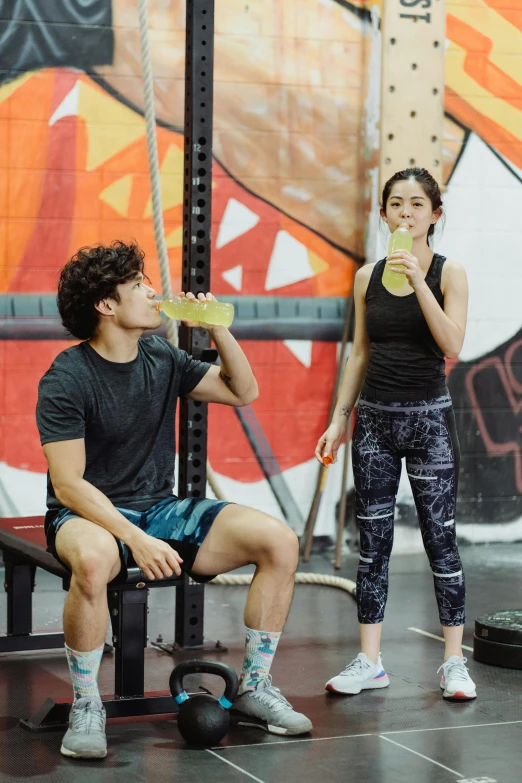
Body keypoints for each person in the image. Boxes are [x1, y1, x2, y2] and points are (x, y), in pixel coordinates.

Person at [36, 241, 312, 760]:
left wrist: (218, 329)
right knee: (95, 560)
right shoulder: (67, 377)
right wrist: (134, 538)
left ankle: (253, 688)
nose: (152, 289)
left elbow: (242, 390)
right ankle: (87, 703)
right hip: (84, 513)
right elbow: (69, 484)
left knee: (278, 541)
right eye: (138, 283)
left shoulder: (160, 355)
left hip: (159, 506)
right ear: (106, 305)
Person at [315, 168, 477, 701]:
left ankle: (454, 662)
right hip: (375, 424)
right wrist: (340, 417)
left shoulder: (451, 274)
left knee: (440, 541)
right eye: (395, 204)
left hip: (429, 420)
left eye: (416, 204)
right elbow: (360, 351)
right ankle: (370, 660)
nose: (405, 213)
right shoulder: (366, 277)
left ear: (435, 214)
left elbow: (451, 343)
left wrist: (417, 284)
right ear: (383, 214)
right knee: (373, 546)